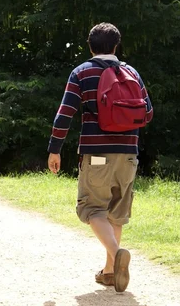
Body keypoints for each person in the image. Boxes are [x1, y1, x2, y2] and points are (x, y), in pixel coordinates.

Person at [47, 22, 153, 292]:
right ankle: (109, 272)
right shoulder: (131, 72)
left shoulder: (82, 73)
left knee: (93, 208)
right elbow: (148, 113)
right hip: (129, 154)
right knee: (116, 213)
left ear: (90, 45)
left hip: (96, 155)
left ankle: (116, 256)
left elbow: (65, 114)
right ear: (116, 46)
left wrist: (55, 148)